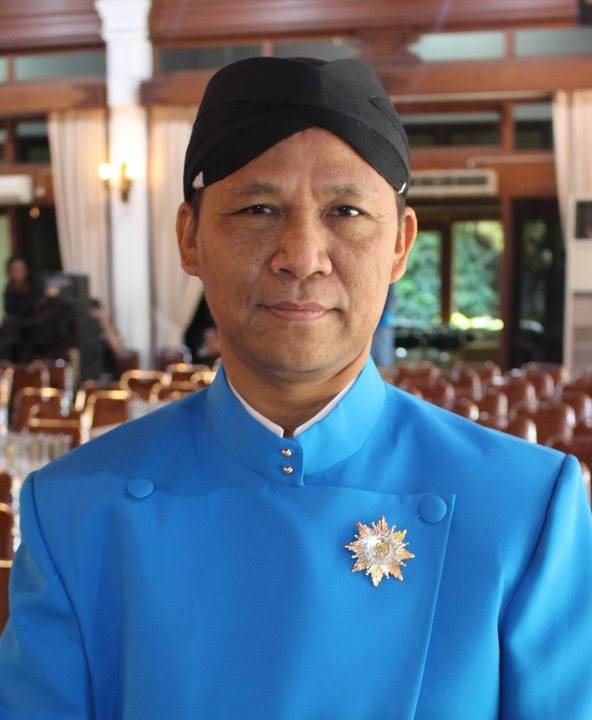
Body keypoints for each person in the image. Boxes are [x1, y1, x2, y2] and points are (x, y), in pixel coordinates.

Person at [0, 57, 591, 720]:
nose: (302, 256)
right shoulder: (74, 510)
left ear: (400, 245)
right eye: (258, 209)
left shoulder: (523, 506)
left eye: (346, 211)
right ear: (190, 238)